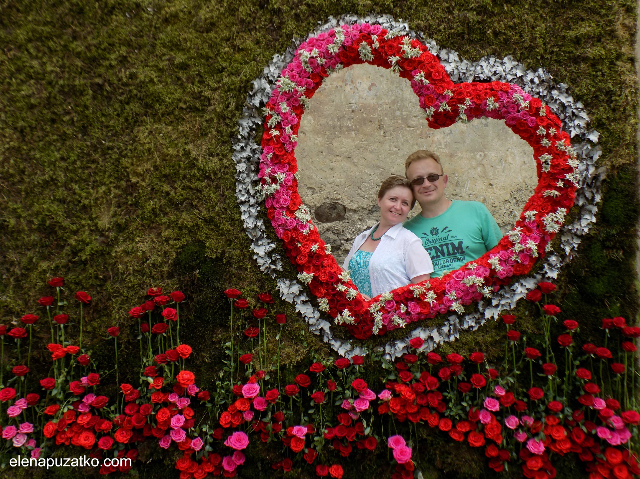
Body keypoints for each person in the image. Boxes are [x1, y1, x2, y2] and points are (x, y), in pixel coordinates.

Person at [403, 150, 503, 277]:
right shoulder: (406, 232)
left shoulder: (476, 211)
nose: (426, 184)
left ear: (444, 181)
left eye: (432, 177)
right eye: (418, 180)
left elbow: (502, 257)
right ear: (411, 188)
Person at [343, 175, 434, 298]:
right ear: (379, 200)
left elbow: (423, 293)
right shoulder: (362, 238)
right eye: (392, 199)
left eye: (405, 203)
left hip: (388, 316)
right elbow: (344, 277)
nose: (397, 207)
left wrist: (379, 306)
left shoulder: (410, 242)